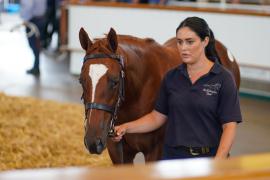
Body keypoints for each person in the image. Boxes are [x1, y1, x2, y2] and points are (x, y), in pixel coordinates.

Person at [112, 16, 242, 160]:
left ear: (205, 41)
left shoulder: (223, 78)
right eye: (180, 42)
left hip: (207, 158)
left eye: (190, 42)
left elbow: (229, 126)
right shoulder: (172, 77)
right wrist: (126, 127)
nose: (183, 48)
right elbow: (157, 117)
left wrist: (218, 160)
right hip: (172, 159)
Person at [20, 0, 47, 75]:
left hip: (33, 21)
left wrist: (25, 20)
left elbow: (28, 5)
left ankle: (36, 67)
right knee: (37, 44)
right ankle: (36, 66)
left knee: (34, 45)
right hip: (41, 18)